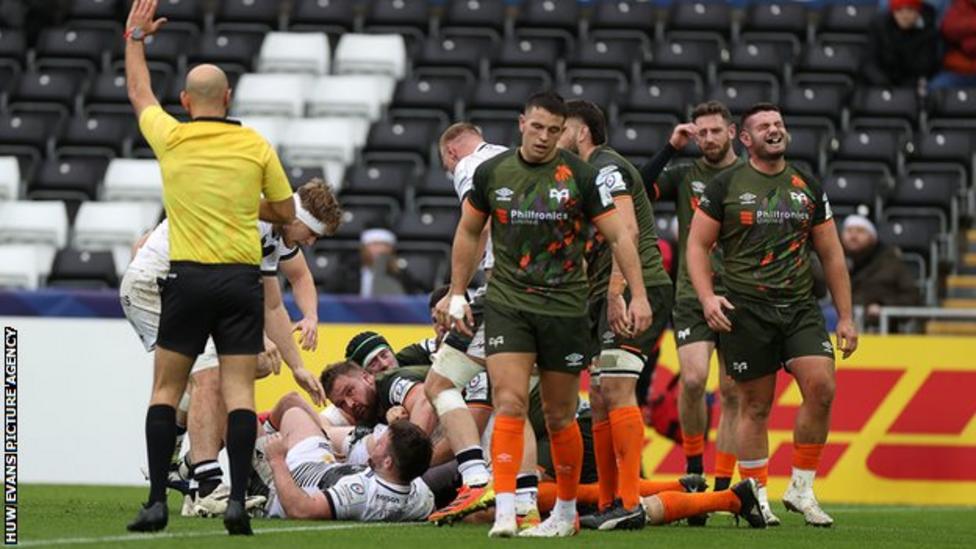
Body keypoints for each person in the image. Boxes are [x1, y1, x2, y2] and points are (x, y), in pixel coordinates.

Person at [440, 91, 651, 538]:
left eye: (554, 130)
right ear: (522, 124)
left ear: (563, 132)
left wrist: (638, 296)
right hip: (508, 304)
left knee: (559, 415)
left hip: (564, 307)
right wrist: (457, 292)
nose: (543, 137)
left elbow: (619, 236)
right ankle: (503, 510)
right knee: (510, 401)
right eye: (536, 127)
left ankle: (564, 513)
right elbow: (468, 230)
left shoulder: (582, 175)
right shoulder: (492, 173)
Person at [123, 0, 296, 535]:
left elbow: (137, 93)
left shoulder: (171, 138)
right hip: (241, 282)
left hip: (188, 278)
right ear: (228, 99)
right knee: (241, 394)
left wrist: (134, 36)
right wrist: (244, 205)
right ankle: (238, 504)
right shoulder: (254, 144)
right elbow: (288, 216)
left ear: (185, 102)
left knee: (165, 392)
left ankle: (155, 503)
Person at [121, 179, 340, 516]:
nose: (310, 244)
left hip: (178, 288)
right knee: (212, 377)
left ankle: (190, 470)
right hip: (156, 285)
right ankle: (204, 484)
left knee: (247, 368)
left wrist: (297, 367)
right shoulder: (254, 222)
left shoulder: (272, 232)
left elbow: (271, 306)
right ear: (298, 219)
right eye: (312, 234)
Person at [687, 103, 859, 528]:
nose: (774, 130)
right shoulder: (725, 185)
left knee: (821, 387)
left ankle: (801, 488)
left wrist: (846, 316)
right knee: (755, 406)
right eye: (764, 126)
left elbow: (832, 254)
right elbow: (696, 247)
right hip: (746, 308)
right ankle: (756, 493)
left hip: (799, 307)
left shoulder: (807, 184)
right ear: (744, 139)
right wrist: (708, 298)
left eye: (779, 124)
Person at [555, 100, 674, 531]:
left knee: (619, 389)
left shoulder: (606, 167)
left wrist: (620, 293)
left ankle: (629, 500)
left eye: (561, 127)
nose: (554, 135)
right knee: (602, 395)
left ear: (581, 131)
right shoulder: (585, 174)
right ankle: (609, 501)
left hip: (633, 290)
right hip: (611, 295)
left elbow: (629, 231)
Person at [639, 101, 745, 525]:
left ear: (733, 132)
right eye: (702, 133)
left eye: (716, 131)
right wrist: (670, 147)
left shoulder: (751, 177)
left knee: (735, 392)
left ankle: (722, 488)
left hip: (740, 296)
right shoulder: (686, 175)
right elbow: (637, 188)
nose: (709, 139)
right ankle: (695, 470)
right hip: (692, 296)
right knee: (695, 380)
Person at [425, 123, 507, 523]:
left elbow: (478, 227)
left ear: (452, 152)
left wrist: (457, 292)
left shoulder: (470, 165)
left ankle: (476, 479)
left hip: (503, 289)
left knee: (439, 384)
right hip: (553, 293)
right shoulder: (516, 158)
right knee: (514, 402)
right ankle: (520, 501)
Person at [263, 408, 434, 521]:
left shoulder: (359, 493)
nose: (376, 443)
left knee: (285, 412)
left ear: (387, 462)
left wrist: (277, 460)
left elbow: (300, 510)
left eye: (380, 443)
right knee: (294, 412)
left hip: (294, 477)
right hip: (327, 466)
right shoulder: (421, 494)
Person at [840, 215, 921, 329]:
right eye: (849, 231)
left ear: (873, 237)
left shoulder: (891, 263)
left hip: (883, 330)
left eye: (860, 231)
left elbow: (912, 297)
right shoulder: (832, 261)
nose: (853, 236)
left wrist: (884, 307)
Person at [322, 227, 424, 296]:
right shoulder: (347, 272)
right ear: (364, 249)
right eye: (374, 245)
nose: (379, 250)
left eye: (384, 245)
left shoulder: (401, 276)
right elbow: (329, 297)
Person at [863, 0, 940, 87]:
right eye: (899, 10)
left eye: (910, 10)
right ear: (893, 11)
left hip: (911, 86)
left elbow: (925, 68)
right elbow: (869, 62)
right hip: (881, 83)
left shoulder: (928, 30)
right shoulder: (880, 25)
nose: (905, 15)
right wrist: (883, 84)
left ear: (918, 11)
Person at [931, 0, 976, 88]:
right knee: (935, 88)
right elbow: (949, 28)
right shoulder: (961, 4)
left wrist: (967, 43)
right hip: (957, 70)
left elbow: (969, 47)